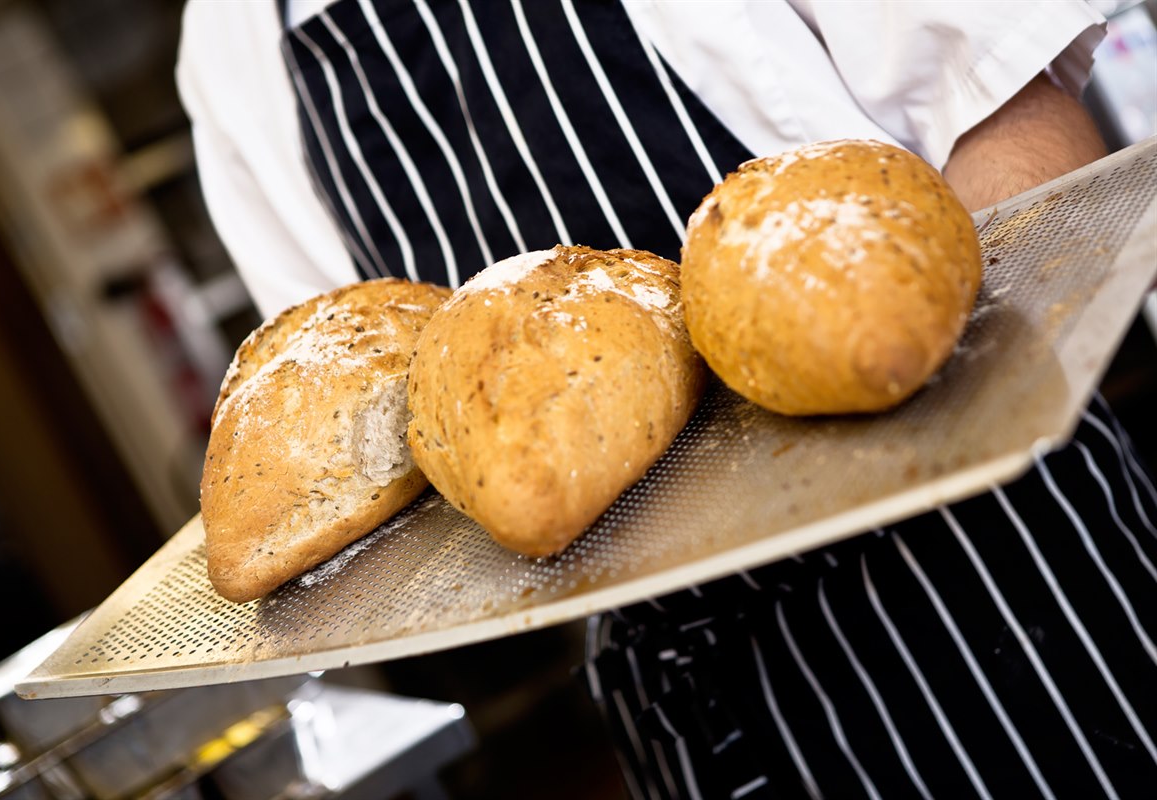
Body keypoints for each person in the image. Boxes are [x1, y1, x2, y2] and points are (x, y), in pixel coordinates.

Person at [176, 2, 1157, 797]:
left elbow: (1001, 103)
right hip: (681, 691)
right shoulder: (229, 46)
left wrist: (963, 399)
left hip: (990, 580)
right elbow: (361, 394)